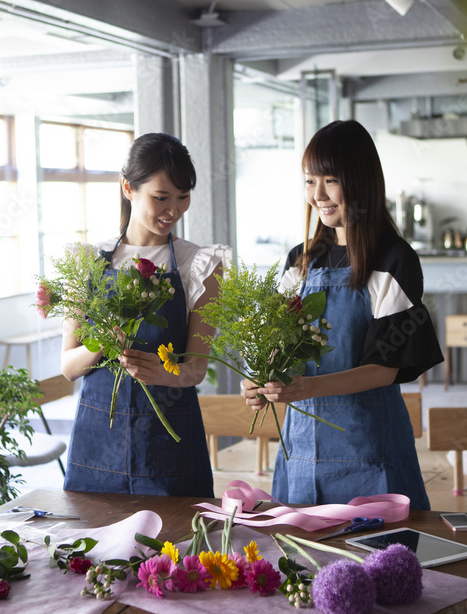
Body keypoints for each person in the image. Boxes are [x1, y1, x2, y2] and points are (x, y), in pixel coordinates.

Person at [242, 120, 442, 509]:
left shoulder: (394, 260)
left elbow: (385, 368)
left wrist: (306, 388)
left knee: (374, 562)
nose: (318, 195)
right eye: (309, 181)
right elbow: (275, 350)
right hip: (301, 452)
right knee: (301, 564)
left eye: (330, 180)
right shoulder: (300, 261)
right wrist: (259, 382)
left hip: (370, 451)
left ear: (360, 181)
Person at [61, 133, 228, 497]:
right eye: (161, 197)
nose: (174, 210)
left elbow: (196, 369)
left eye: (183, 197)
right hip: (96, 443)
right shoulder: (87, 261)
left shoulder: (198, 264)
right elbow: (70, 367)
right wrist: (102, 344)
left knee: (177, 548)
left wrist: (164, 374)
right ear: (128, 188)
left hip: (168, 445)